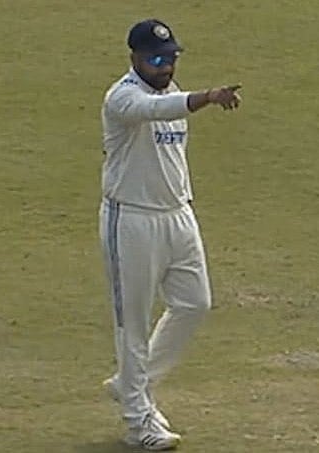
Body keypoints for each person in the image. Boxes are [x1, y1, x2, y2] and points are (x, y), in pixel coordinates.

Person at [98, 18, 242, 451]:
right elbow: (157, 110)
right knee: (134, 324)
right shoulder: (122, 98)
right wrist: (207, 98)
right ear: (135, 58)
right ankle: (138, 421)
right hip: (132, 220)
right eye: (156, 60)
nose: (165, 67)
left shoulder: (173, 95)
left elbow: (169, 113)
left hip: (178, 215)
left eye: (171, 58)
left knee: (194, 303)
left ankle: (132, 384)